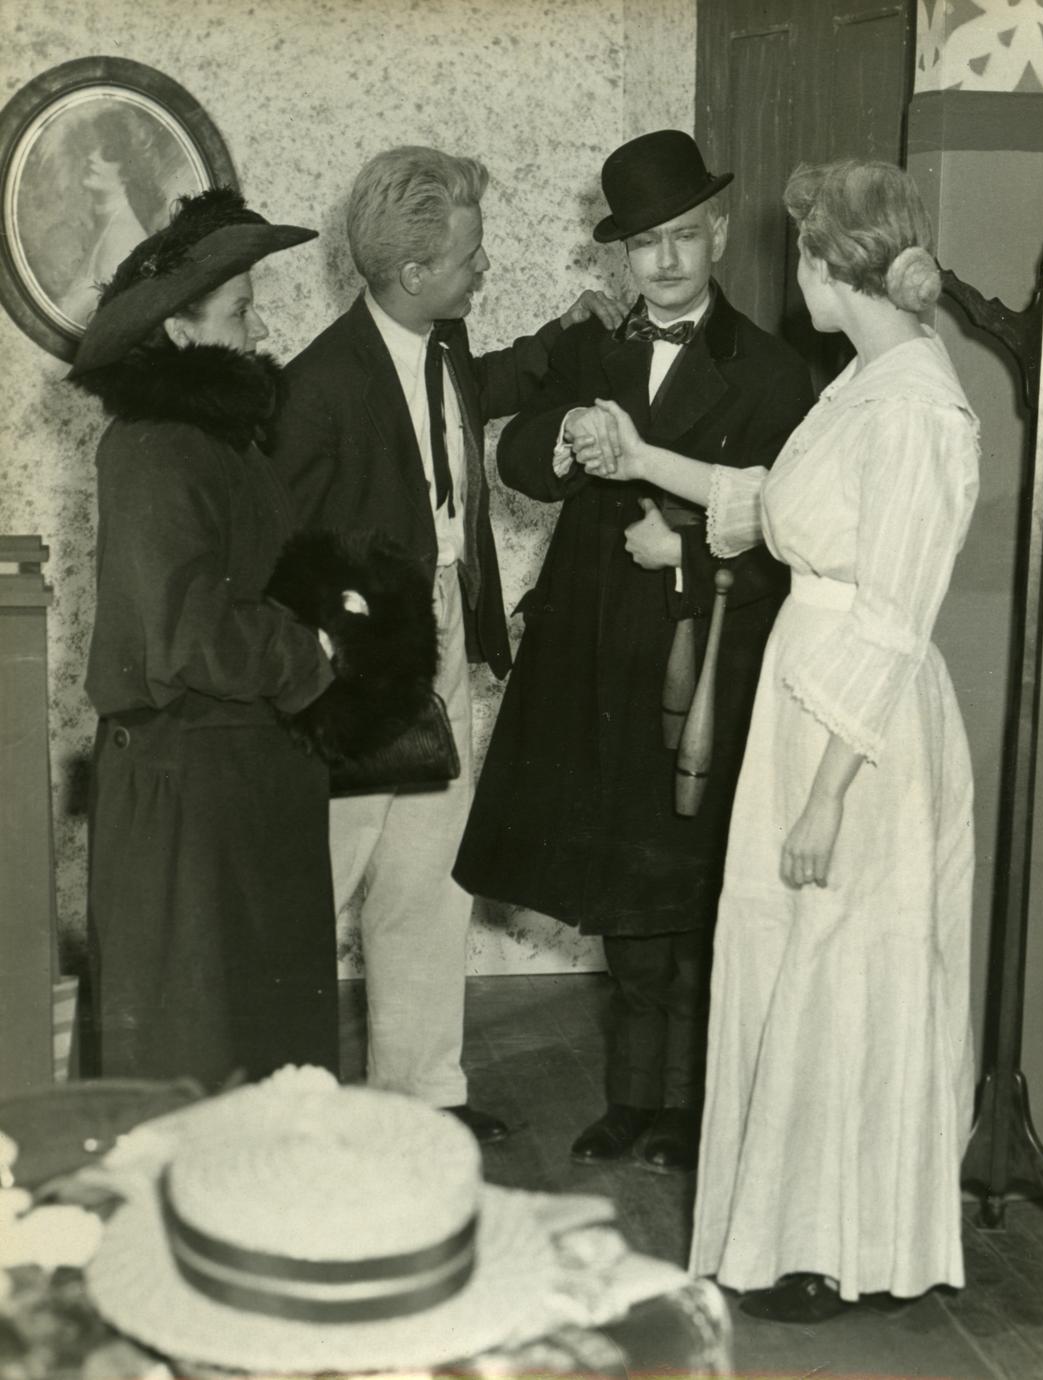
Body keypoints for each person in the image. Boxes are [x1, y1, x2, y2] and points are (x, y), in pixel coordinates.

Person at [587, 160, 979, 1319]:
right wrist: (640, 458)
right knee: (801, 957)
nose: (787, 270)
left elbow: (895, 614)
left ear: (825, 263)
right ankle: (798, 1233)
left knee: (844, 965)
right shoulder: (864, 380)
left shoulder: (915, 406)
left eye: (797, 249)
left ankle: (840, 1247)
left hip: (860, 728)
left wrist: (826, 796)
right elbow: (774, 504)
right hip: (807, 701)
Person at [453, 130, 813, 1171]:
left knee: (691, 892)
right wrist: (565, 433)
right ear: (619, 254)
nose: (663, 260)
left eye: (683, 237)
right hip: (598, 652)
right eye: (644, 243)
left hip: (705, 658)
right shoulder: (593, 348)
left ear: (717, 235)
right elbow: (518, 455)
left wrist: (688, 553)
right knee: (621, 887)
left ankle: (693, 1111)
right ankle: (630, 1100)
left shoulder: (772, 370)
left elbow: (795, 536)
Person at [270, 145, 623, 1143]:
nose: (483, 267)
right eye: (470, 257)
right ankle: (286, 1110)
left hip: (442, 635)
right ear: (411, 271)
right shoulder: (317, 387)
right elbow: (278, 552)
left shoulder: (441, 340)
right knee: (322, 880)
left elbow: (478, 386)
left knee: (429, 879)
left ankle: (421, 1096)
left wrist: (561, 337)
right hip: (356, 662)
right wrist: (335, 666)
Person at [69, 188, 433, 1091]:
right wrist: (317, 651)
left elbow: (248, 578)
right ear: (180, 331)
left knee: (254, 1044)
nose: (260, 325)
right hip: (188, 794)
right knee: (191, 1055)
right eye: (240, 310)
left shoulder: (216, 441)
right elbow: (189, 632)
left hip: (242, 777)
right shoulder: (154, 447)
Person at [58, 108, 168, 326]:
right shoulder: (101, 225)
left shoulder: (125, 240)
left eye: (108, 152)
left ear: (129, 170)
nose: (92, 157)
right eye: (95, 147)